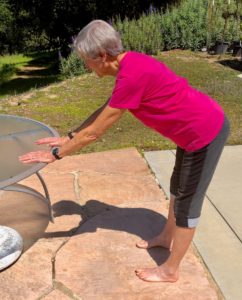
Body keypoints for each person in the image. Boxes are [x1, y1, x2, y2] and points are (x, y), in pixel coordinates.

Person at [19, 20, 230, 283]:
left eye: (87, 60)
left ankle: (170, 270)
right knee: (177, 187)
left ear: (103, 56)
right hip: (190, 133)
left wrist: (56, 154)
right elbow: (104, 110)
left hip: (205, 134)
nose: (87, 66)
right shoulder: (131, 65)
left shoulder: (133, 75)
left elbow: (96, 133)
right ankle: (166, 237)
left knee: (188, 203)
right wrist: (69, 135)